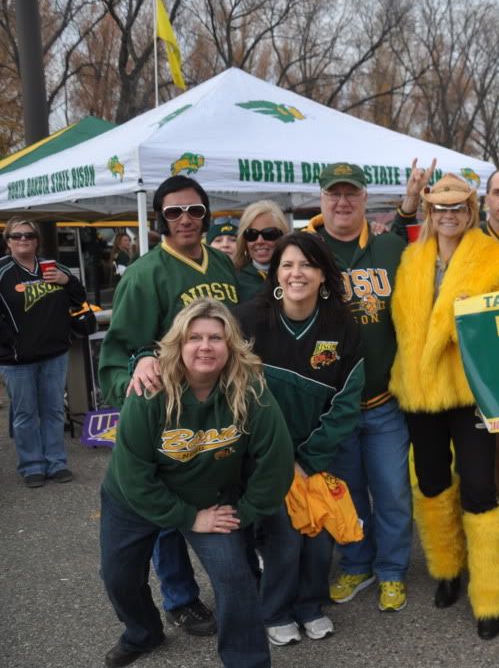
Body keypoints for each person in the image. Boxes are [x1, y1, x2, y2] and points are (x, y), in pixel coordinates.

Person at [99, 298, 293, 668]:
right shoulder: (151, 390)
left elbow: (276, 462)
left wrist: (244, 512)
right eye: (194, 338)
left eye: (215, 338)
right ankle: (142, 633)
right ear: (179, 344)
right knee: (118, 576)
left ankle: (247, 662)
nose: (205, 346)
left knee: (235, 578)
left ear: (230, 345)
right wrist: (188, 518)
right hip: (134, 499)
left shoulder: (249, 390)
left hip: (210, 498)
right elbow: (134, 476)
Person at [99, 175, 240, 638]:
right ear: (159, 218)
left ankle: (240, 582)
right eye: (174, 212)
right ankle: (180, 599)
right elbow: (119, 356)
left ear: (207, 215)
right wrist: (138, 379)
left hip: (220, 410)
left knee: (221, 498)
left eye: (194, 210)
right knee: (165, 515)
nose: (185, 219)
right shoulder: (144, 275)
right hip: (170, 416)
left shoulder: (223, 264)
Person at [389, 172, 499, 640]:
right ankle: (446, 568)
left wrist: (472, 320)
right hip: (420, 390)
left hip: (470, 391)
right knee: (432, 482)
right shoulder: (411, 258)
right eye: (440, 208)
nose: (448, 215)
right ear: (430, 212)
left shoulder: (495, 259)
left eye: (457, 207)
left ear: (471, 211)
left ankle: (491, 595)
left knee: (480, 489)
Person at [235, 233, 365, 645]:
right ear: (275, 273)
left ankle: (310, 606)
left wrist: (307, 460)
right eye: (288, 265)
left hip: (316, 454)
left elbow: (347, 401)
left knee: (318, 534)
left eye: (307, 265)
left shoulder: (342, 326)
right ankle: (275, 611)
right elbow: (233, 391)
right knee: (284, 537)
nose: (297, 273)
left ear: (323, 274)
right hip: (264, 455)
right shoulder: (247, 320)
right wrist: (277, 458)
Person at [304, 162, 413, 612]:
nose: (343, 202)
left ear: (366, 199)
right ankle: (356, 563)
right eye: (334, 194)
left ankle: (392, 570)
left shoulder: (389, 246)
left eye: (351, 194)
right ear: (322, 199)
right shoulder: (307, 249)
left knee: (392, 492)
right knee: (345, 493)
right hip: (334, 406)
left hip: (385, 399)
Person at [0, 218, 89, 487]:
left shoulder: (55, 268)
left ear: (37, 240)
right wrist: (10, 341)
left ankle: (56, 462)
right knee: (25, 414)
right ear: (8, 241)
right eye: (17, 235)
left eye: (29, 235)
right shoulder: (3, 271)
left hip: (54, 354)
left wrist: (67, 280)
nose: (23, 239)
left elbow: (80, 297)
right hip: (17, 359)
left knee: (53, 411)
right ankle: (32, 466)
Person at [233, 201, 289, 302]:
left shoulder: (295, 276)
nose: (259, 241)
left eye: (269, 234)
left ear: (282, 236)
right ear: (244, 240)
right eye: (251, 234)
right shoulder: (234, 279)